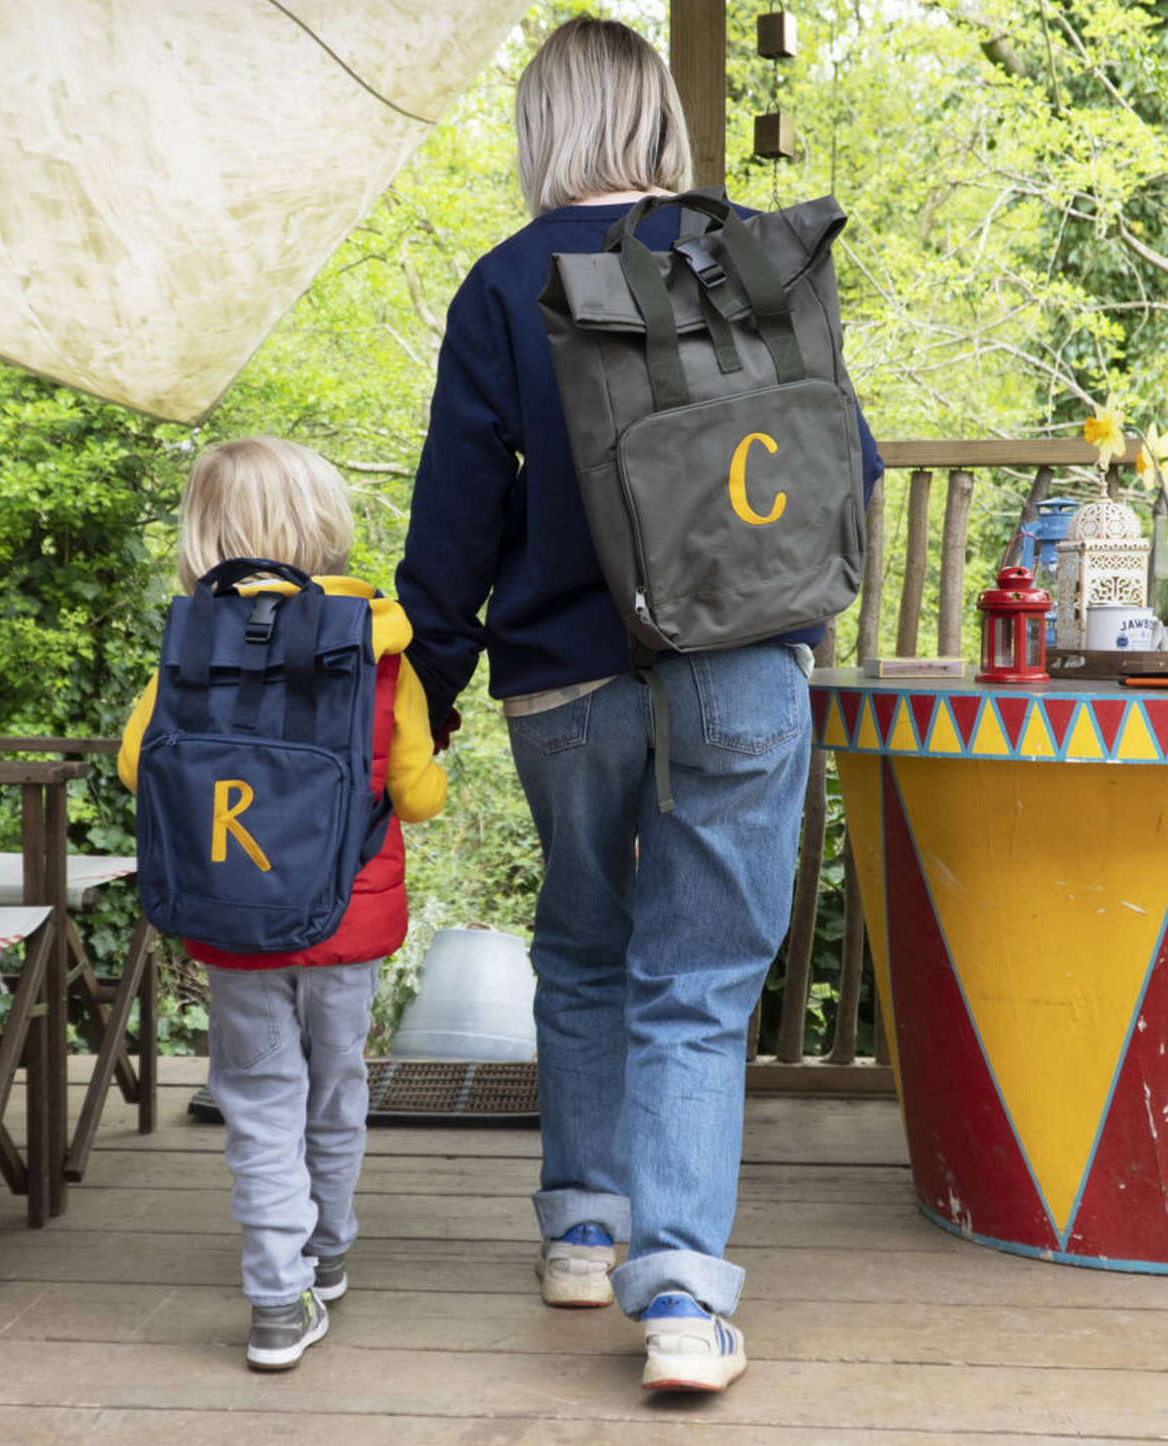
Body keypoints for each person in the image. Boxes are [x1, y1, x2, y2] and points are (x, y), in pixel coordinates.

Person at [395, 16, 882, 1393]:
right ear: (659, 118)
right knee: (701, 980)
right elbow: (846, 451)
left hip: (564, 680)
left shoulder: (503, 283)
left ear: (544, 126)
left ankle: (579, 1227)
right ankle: (678, 1300)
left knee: (585, 938)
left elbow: (452, 522)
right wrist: (799, 614)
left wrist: (421, 692)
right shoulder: (746, 255)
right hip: (740, 661)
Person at [119, 436, 447, 1371]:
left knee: (259, 1100)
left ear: (203, 539)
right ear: (327, 528)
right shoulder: (381, 656)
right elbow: (418, 796)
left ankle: (276, 1299)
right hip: (347, 923)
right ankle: (328, 1250)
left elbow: (138, 767)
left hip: (234, 924)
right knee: (335, 1089)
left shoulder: (188, 652)